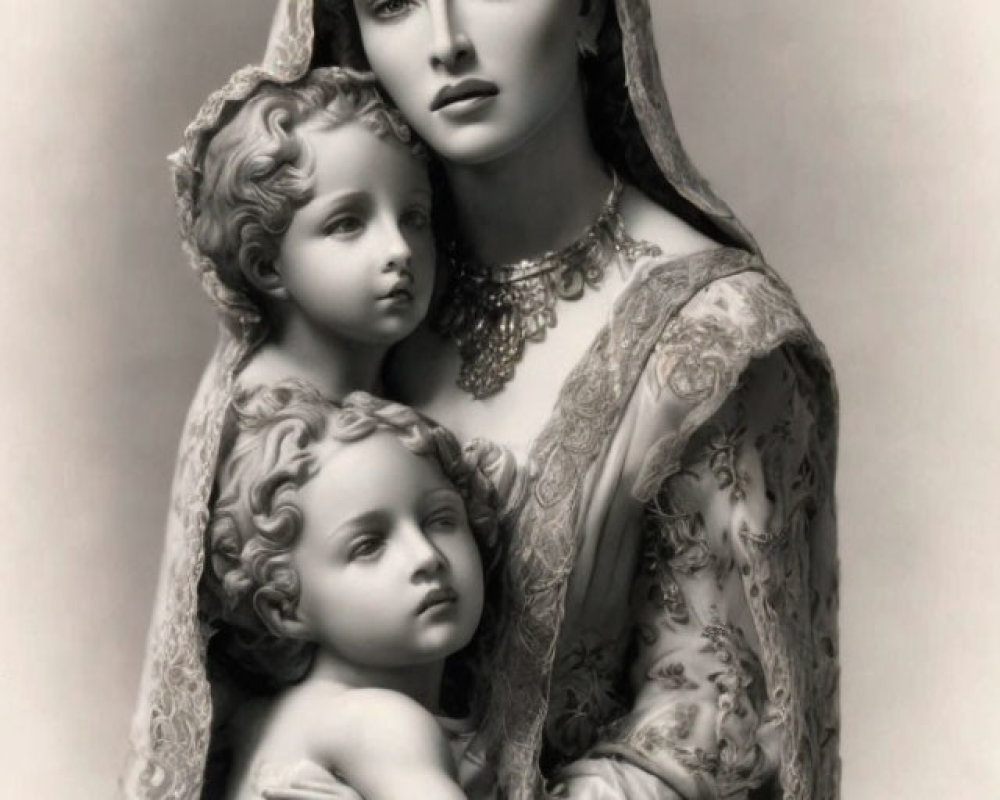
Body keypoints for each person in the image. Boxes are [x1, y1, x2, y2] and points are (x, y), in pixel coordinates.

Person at [126, 2, 839, 799]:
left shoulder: (717, 339)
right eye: (393, 3)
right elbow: (221, 680)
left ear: (592, 16)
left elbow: (720, 734)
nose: (446, 41)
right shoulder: (327, 313)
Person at [200, 382, 498, 799]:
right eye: (369, 545)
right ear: (285, 606)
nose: (426, 557)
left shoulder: (260, 718)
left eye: (440, 519)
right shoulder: (380, 721)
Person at [191, 67, 434, 399]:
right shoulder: (348, 443)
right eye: (348, 224)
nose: (400, 249)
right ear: (267, 265)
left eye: (414, 218)